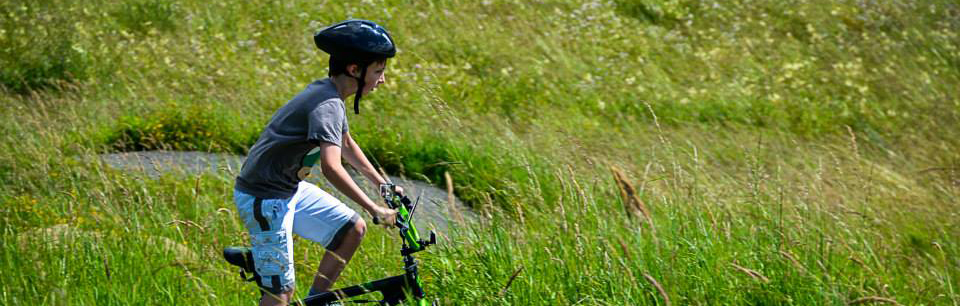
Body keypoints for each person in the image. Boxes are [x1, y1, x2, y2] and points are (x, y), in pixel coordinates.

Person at [226, 19, 401, 306]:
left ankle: (317, 301)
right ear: (354, 70)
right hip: (264, 198)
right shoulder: (327, 104)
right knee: (280, 296)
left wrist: (383, 186)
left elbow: (344, 143)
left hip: (287, 190)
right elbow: (332, 167)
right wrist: (373, 208)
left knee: (351, 230)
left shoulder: (330, 94)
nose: (382, 79)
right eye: (378, 71)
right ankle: (272, 276)